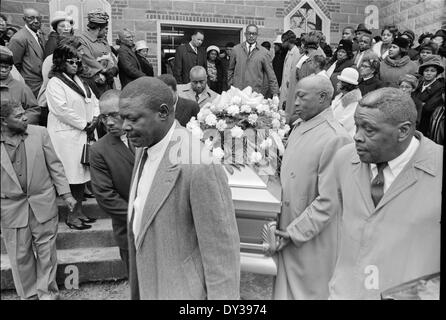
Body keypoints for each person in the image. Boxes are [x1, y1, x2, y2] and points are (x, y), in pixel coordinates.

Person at [283, 88, 442, 299]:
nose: (356, 137)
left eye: (369, 129)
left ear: (403, 131)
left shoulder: (437, 168)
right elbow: (326, 205)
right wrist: (292, 234)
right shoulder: (344, 159)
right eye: (357, 126)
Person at [119, 76, 240, 300]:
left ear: (163, 112)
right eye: (122, 118)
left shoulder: (199, 165)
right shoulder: (143, 146)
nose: (124, 126)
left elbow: (222, 256)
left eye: (133, 118)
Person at [273, 75, 352, 300]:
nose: (295, 102)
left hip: (310, 236)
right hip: (288, 226)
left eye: (301, 97)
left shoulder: (336, 138)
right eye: (294, 96)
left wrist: (295, 231)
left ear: (323, 98)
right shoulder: (300, 126)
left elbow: (330, 200)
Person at [1, 100, 77, 300]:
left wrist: (66, 194)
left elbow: (55, 165)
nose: (25, 117)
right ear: (3, 122)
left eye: (24, 113)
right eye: (18, 116)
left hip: (42, 203)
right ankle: (29, 296)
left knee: (46, 252)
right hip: (10, 207)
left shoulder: (40, 133)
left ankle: (48, 294)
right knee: (20, 256)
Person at [45, 41, 100, 230]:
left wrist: (94, 118)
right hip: (67, 136)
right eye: (70, 62)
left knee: (82, 178)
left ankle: (79, 212)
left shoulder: (81, 81)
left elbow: (94, 101)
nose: (75, 65)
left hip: (84, 134)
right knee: (70, 178)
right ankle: (71, 216)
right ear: (61, 62)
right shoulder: (55, 82)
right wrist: (84, 123)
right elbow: (61, 110)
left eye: (77, 61)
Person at [89, 90, 134, 275]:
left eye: (114, 115)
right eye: (104, 117)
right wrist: (139, 217)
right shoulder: (99, 150)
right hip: (128, 229)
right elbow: (106, 197)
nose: (108, 122)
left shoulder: (149, 137)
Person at [228, 24, 279, 97]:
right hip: (238, 92)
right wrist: (231, 85)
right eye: (249, 33)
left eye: (254, 34)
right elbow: (230, 70)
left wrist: (275, 93)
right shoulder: (236, 50)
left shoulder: (264, 53)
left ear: (257, 35)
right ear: (245, 34)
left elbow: (271, 74)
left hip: (255, 93)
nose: (251, 36)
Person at [79, 9, 118, 98]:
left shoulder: (103, 40)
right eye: (105, 29)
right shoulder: (82, 40)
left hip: (107, 82)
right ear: (99, 28)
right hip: (92, 83)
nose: (106, 32)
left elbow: (110, 55)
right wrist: (104, 71)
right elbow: (88, 60)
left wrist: (114, 68)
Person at [7, 8, 46, 97]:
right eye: (31, 18)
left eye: (38, 18)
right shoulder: (18, 38)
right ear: (24, 19)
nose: (36, 21)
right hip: (30, 87)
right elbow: (14, 67)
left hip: (41, 84)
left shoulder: (40, 35)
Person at [0, 46, 40, 124]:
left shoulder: (21, 88)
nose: (3, 70)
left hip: (13, 132)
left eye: (6, 67)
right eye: (0, 66)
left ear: (11, 68)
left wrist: (18, 122)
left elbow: (34, 110)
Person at [412, 55, 445, 137]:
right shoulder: (419, 84)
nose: (429, 73)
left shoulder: (440, 87)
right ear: (423, 72)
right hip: (414, 121)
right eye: (426, 70)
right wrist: (421, 103)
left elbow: (428, 108)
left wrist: (417, 103)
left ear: (437, 73)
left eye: (432, 71)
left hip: (425, 124)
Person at [331, 67, 362, 138]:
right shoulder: (340, 96)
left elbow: (346, 123)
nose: (337, 84)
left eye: (340, 82)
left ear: (346, 85)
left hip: (342, 137)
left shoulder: (354, 102)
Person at [278, 30, 301, 112]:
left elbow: (294, 72)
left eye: (283, 41)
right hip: (285, 85)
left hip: (290, 86)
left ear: (288, 41)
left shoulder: (296, 53)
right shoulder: (289, 52)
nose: (282, 44)